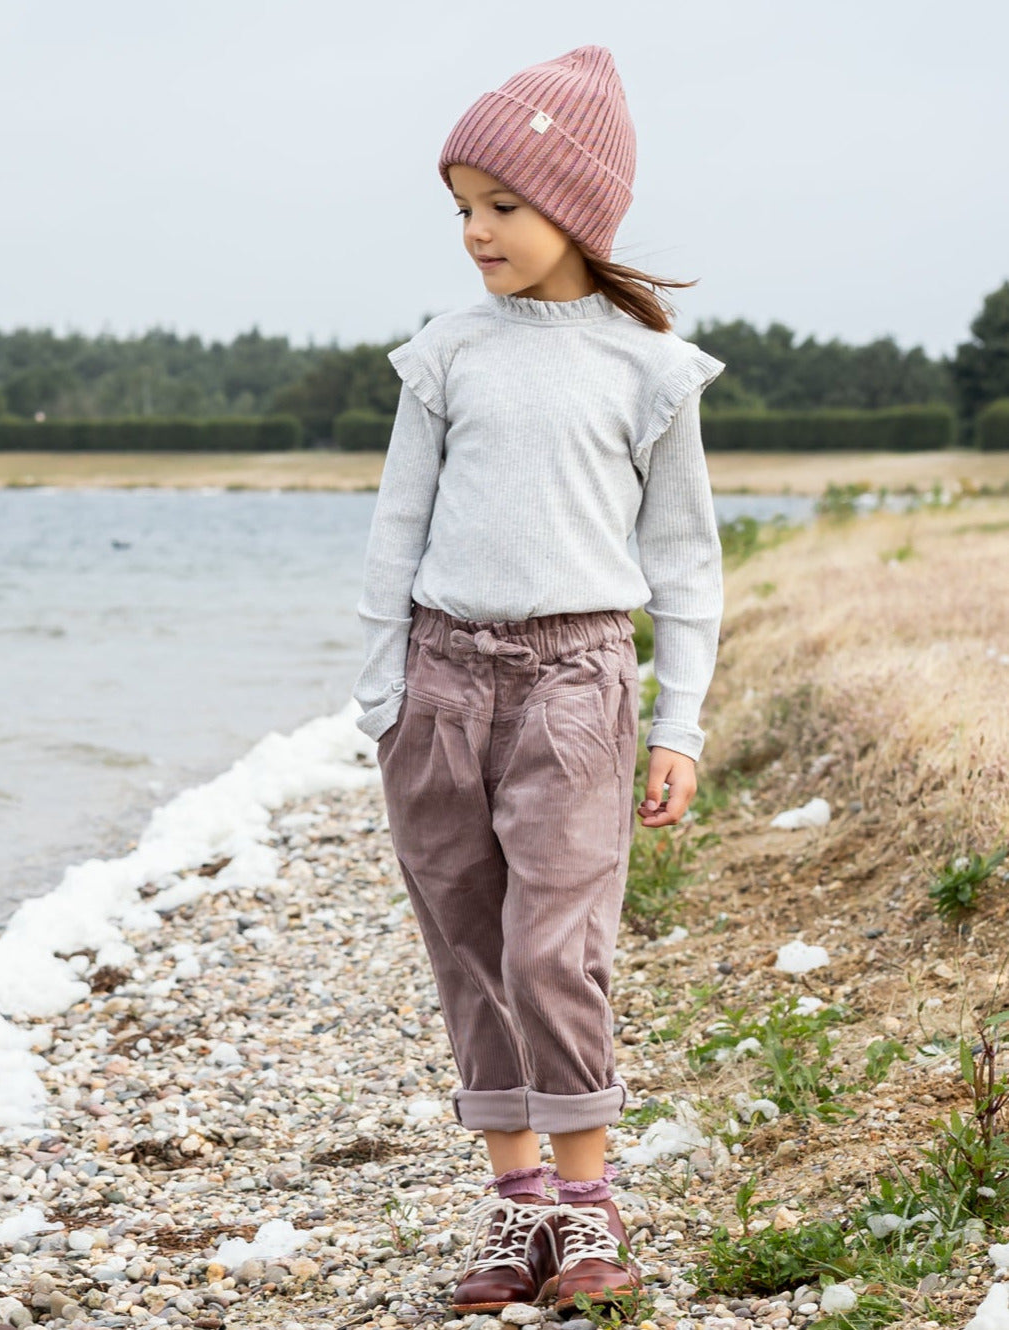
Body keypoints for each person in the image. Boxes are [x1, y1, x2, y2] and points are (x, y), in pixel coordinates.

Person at [351, 44, 726, 1316]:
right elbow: (393, 536)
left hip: (575, 682)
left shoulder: (645, 369)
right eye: (459, 207)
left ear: (575, 204)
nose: (475, 232)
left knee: (553, 944)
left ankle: (587, 1208)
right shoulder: (442, 355)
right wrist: (382, 697)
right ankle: (518, 1219)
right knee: (467, 938)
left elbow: (683, 561)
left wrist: (677, 723)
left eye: (500, 204)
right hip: (439, 681)